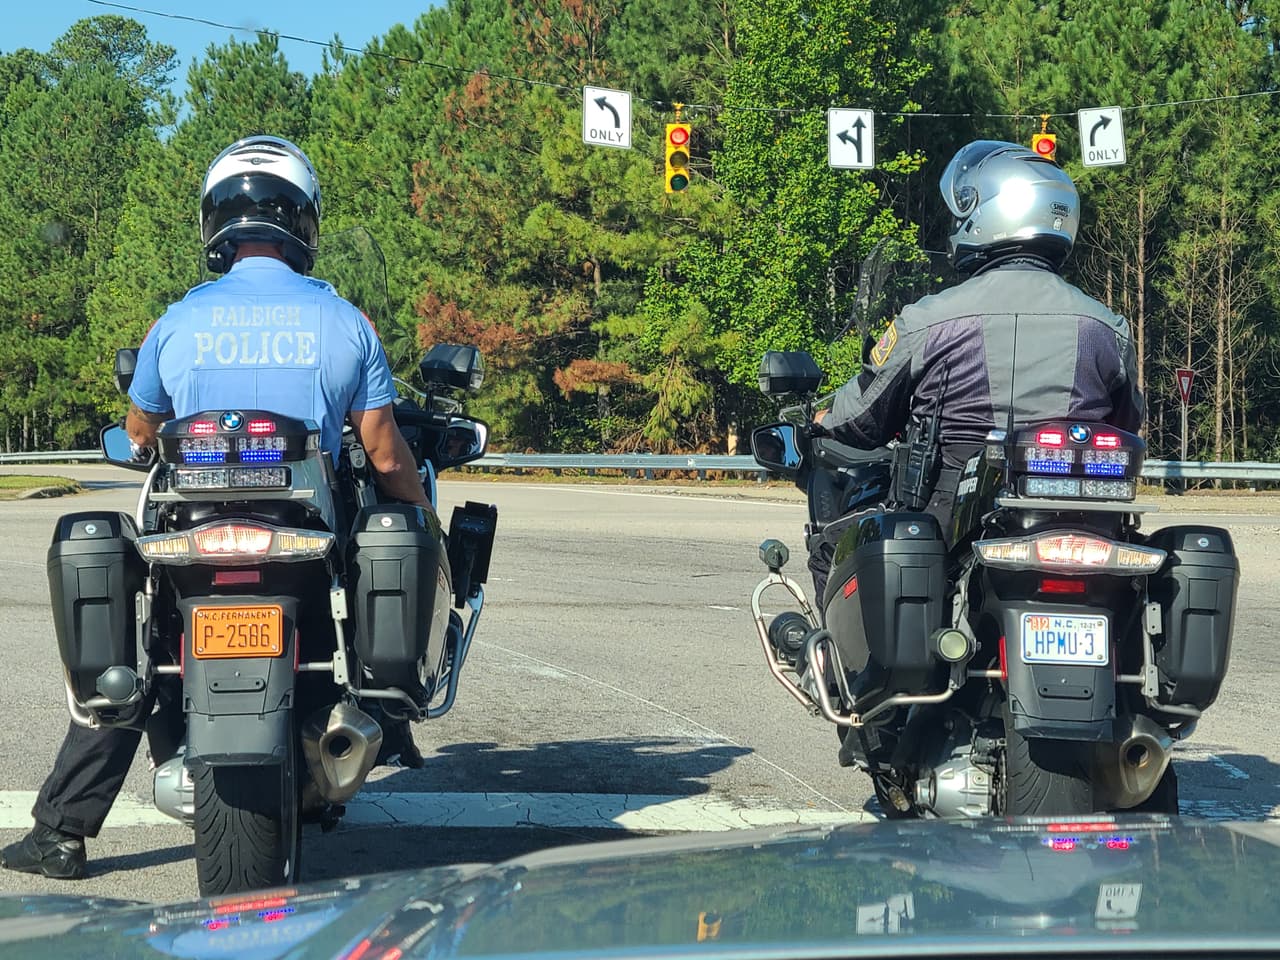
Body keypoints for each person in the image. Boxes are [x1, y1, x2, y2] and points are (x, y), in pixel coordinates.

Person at [2, 135, 430, 880]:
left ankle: (61, 833)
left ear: (215, 225)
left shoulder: (176, 322)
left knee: (141, 656)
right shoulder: (344, 322)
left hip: (193, 539)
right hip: (306, 537)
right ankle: (384, 713)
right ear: (304, 221)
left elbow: (139, 434)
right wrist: (419, 506)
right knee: (386, 558)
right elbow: (385, 454)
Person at [806, 140, 1144, 605]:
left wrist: (819, 420)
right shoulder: (1109, 328)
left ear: (986, 214)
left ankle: (848, 676)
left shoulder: (928, 320)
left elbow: (861, 419)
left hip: (954, 516)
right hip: (1086, 520)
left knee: (832, 547)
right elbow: (1127, 426)